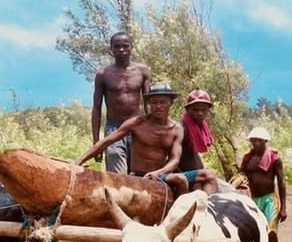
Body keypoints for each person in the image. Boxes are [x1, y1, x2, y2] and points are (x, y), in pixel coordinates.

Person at [76, 82, 217, 197]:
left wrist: (159, 172)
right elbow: (106, 142)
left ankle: (207, 215)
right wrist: (79, 162)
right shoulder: (137, 123)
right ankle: (181, 214)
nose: (158, 106)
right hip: (140, 175)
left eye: (163, 102)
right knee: (179, 179)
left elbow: (174, 160)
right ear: (148, 103)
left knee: (209, 175)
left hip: (161, 175)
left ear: (171, 103)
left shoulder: (177, 129)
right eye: (154, 102)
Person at [91, 31, 151, 174]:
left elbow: (149, 102)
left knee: (139, 174)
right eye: (117, 47)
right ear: (111, 49)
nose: (121, 50)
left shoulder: (143, 71)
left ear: (131, 47)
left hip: (138, 128)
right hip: (114, 129)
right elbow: (97, 108)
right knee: (118, 176)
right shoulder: (103, 74)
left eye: (125, 46)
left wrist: (152, 130)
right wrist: (97, 143)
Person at [240, 126, 287, 231]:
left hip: (269, 200)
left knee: (271, 232)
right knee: (256, 232)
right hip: (253, 199)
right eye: (253, 140)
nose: (256, 143)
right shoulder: (248, 158)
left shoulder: (274, 158)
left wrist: (283, 208)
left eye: (259, 140)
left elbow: (281, 183)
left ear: (265, 141)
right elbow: (242, 177)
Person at [178, 88, 217, 191]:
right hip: (181, 174)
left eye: (203, 110)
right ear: (188, 110)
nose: (200, 113)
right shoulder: (181, 129)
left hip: (196, 172)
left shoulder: (200, 128)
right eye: (196, 110)